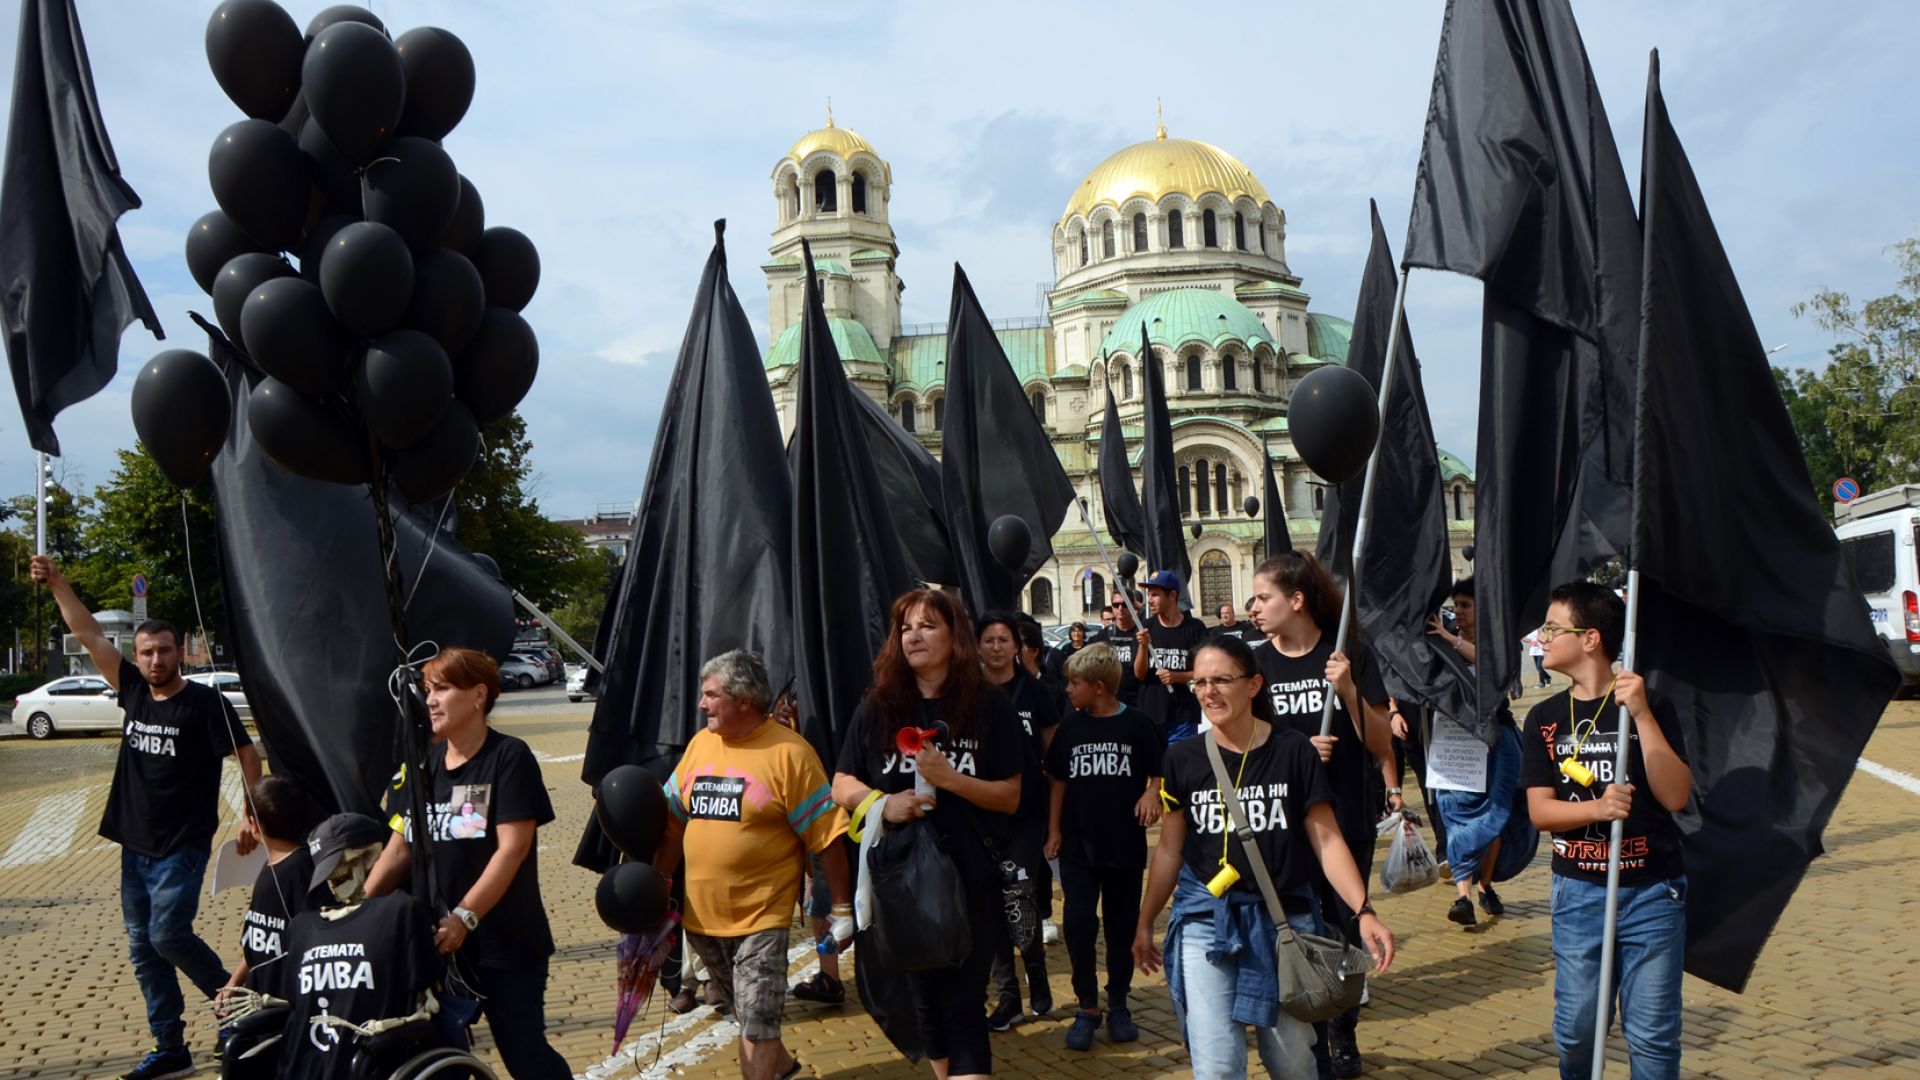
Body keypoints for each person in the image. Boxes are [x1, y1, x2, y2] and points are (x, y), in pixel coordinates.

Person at [33, 555, 264, 1080]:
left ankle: (240, 1004)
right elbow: (89, 633)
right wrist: (58, 582)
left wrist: (251, 814)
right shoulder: (133, 690)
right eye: (146, 652)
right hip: (133, 845)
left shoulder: (205, 703)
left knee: (166, 935)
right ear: (136, 657)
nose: (155, 660)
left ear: (179, 651)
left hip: (182, 845)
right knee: (144, 951)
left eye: (163, 650)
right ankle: (171, 1049)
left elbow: (248, 755)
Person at [1133, 636, 1395, 1080]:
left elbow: (1327, 840)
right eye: (1200, 682)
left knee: (1292, 1062)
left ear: (1253, 685)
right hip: (1205, 921)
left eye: (1221, 680)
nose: (1209, 692)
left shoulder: (1293, 750)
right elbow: (1169, 849)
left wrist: (1363, 910)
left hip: (1285, 922)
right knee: (1217, 1066)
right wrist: (1145, 922)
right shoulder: (1182, 758)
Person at [831, 589, 1024, 1080]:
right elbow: (842, 782)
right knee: (924, 1004)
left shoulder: (990, 706)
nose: (913, 636)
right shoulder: (878, 706)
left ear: (955, 636)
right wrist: (881, 802)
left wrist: (950, 779)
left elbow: (1011, 796)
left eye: (928, 626)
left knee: (964, 1003)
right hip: (901, 883)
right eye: (905, 628)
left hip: (969, 877)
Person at [367, 647, 570, 1079]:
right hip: (436, 944)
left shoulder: (508, 757)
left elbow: (511, 849)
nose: (430, 700)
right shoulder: (423, 765)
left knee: (525, 1057)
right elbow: (399, 850)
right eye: (427, 690)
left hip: (503, 944)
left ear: (478, 695)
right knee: (437, 1058)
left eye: (441, 689)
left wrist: (465, 916)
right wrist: (354, 912)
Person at [651, 650, 852, 1080]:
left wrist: (841, 909)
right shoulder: (701, 745)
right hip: (702, 920)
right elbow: (672, 825)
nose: (702, 704)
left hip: (762, 917)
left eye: (711, 695)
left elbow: (828, 837)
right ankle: (784, 1068)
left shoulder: (790, 754)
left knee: (758, 1022)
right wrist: (660, 881)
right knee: (748, 1015)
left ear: (744, 700)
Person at [1520, 582, 1692, 1080]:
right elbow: (1540, 813)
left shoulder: (1650, 703)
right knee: (1578, 1030)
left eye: (1552, 628)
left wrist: (1641, 714)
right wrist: (1599, 806)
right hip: (1579, 892)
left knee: (1653, 1035)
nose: (1542, 637)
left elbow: (1676, 796)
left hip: (1653, 892)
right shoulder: (1545, 718)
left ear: (1590, 638)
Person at [1245, 552, 1397, 1079]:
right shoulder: (1256, 666)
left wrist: (1349, 691)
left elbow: (1381, 744)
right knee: (1297, 930)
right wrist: (1294, 752)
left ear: (1296, 600)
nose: (1254, 607)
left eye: (1263, 597)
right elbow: (1242, 747)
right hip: (1283, 824)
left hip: (1345, 817)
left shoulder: (1348, 655)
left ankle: (1343, 1028)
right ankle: (1308, 1042)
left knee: (1343, 930)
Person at [1043, 644, 1161, 1051]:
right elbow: (1058, 781)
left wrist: (1153, 792)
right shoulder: (1070, 727)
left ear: (1098, 687)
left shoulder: (1139, 725)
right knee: (1078, 923)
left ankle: (1119, 1002)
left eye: (1074, 683)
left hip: (1124, 845)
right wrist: (1053, 830)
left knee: (1120, 927)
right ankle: (1087, 1005)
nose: (1067, 690)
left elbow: (1160, 771)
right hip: (1078, 846)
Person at [280, 813, 442, 1080]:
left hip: (368, 1064)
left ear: (371, 855)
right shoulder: (301, 928)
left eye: (340, 863)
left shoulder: (398, 912)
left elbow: (425, 996)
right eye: (325, 869)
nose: (332, 877)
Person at [1424, 577, 1537, 927]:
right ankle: (1464, 897)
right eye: (1455, 605)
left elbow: (1494, 673)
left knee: (1495, 814)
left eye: (1466, 605)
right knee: (1455, 813)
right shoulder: (1439, 643)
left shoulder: (1498, 645)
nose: (1458, 612)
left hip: (1496, 741)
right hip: (1454, 742)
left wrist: (1451, 640)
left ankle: (1486, 885)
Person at [976, 612, 1058, 1030]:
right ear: (977, 646)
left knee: (1019, 894)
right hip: (981, 811)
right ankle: (1008, 996)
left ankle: (1036, 973)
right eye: (988, 640)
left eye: (1003, 640)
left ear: (1017, 646)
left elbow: (1053, 752)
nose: (996, 647)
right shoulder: (968, 693)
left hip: (1027, 811)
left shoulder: (1035, 691)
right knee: (991, 901)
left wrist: (1055, 817)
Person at [218, 776, 317, 1009]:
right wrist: (233, 983)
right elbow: (255, 940)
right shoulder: (270, 867)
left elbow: (314, 939)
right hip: (262, 995)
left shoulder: (299, 871)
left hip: (289, 1002)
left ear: (255, 825)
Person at [1134, 571, 1208, 745]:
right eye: (1148, 595)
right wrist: (1143, 646)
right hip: (1151, 714)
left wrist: (1178, 677)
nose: (1150, 600)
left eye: (1155, 595)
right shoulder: (1145, 627)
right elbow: (1139, 674)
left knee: (1181, 761)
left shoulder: (1195, 628)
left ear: (1172, 595)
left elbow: (1206, 672)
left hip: (1184, 716)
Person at [1106, 594, 1146, 709]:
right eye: (1116, 605)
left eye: (1124, 605)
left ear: (1132, 606)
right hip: (1112, 703)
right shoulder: (1103, 635)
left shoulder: (1142, 634)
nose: (1120, 608)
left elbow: (1141, 674)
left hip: (1138, 702)